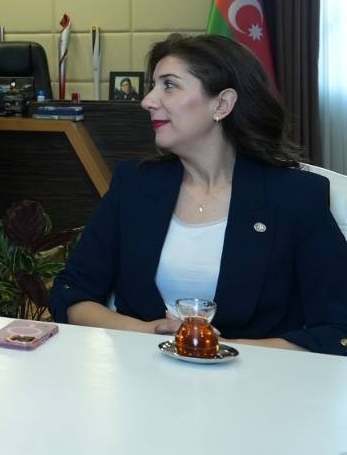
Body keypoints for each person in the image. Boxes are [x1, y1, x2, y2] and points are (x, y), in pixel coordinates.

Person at [50, 33, 347, 355]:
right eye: (152, 85)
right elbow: (71, 292)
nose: (147, 100)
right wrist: (148, 332)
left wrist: (222, 350)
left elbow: (337, 329)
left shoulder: (295, 196)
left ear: (222, 104)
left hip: (257, 380)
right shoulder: (133, 184)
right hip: (140, 373)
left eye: (169, 85)